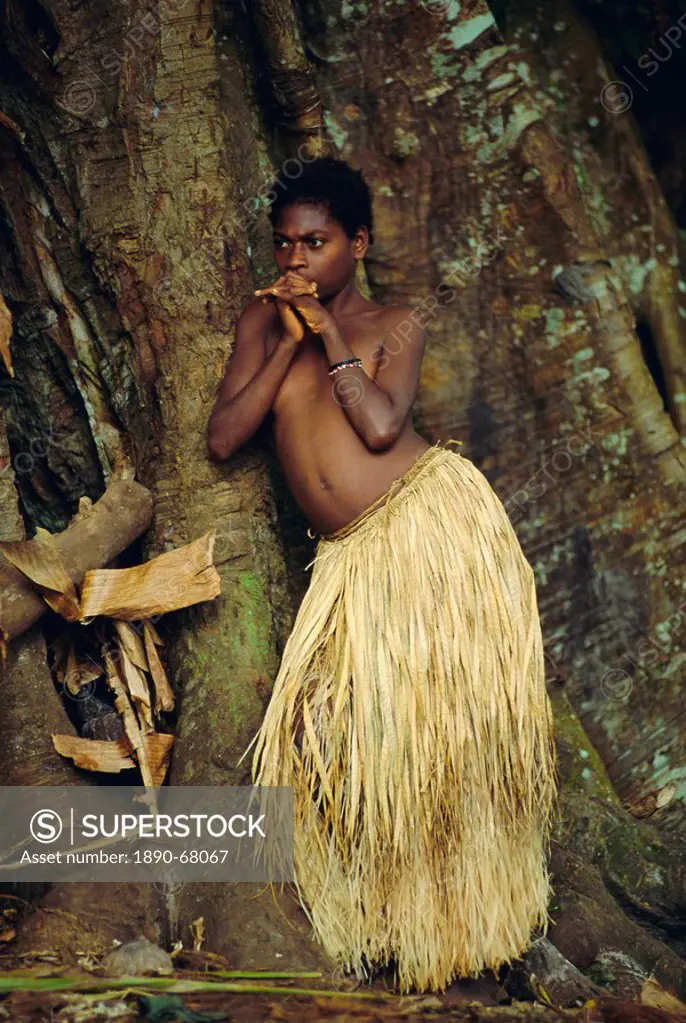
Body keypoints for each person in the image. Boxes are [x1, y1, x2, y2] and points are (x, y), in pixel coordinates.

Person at [207, 156, 558, 994]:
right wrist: (286, 339)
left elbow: (378, 425)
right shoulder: (261, 327)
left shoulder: (394, 321)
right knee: (323, 735)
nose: (297, 261)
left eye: (317, 244)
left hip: (427, 536)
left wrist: (326, 335)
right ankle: (367, 924)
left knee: (437, 744)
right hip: (350, 564)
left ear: (357, 245)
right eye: (286, 245)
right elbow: (223, 438)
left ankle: (463, 936)